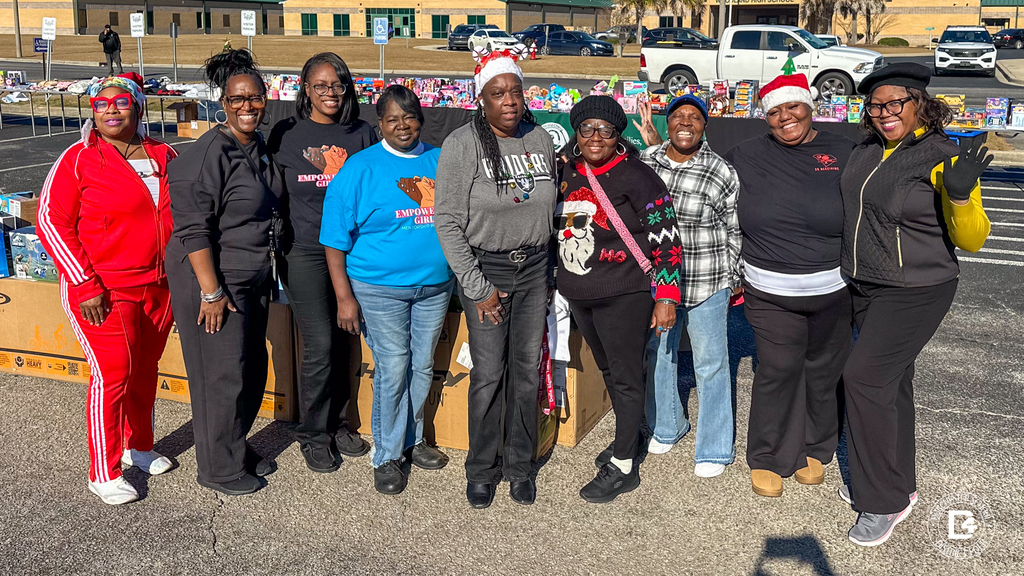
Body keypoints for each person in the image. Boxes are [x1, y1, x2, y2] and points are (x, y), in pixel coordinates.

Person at [839, 62, 991, 546]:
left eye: (894, 103)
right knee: (891, 383)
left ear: (918, 103)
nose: (884, 113)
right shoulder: (866, 150)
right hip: (866, 286)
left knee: (863, 378)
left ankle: (881, 501)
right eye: (875, 105)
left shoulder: (943, 156)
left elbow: (973, 240)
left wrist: (962, 195)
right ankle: (901, 486)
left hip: (916, 288)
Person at [37, 73, 177, 505]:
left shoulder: (163, 153)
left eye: (120, 102)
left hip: (158, 287)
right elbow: (50, 221)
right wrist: (83, 282)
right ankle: (104, 469)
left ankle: (140, 446)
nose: (111, 110)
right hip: (102, 289)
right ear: (93, 111)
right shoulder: (78, 158)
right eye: (101, 104)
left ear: (137, 106)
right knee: (113, 374)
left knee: (145, 369)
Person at [434, 45, 557, 509]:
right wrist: (477, 286)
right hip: (487, 270)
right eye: (498, 93)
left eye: (515, 91)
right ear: (480, 98)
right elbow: (446, 219)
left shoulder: (540, 139)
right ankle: (482, 467)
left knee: (526, 371)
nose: (509, 100)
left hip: (534, 270)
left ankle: (520, 465)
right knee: (489, 373)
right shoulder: (462, 145)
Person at [723, 74, 856, 500]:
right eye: (775, 112)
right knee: (778, 370)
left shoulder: (843, 150)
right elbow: (700, 173)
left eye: (793, 108)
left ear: (809, 106)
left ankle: (815, 447)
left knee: (822, 371)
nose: (786, 119)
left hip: (832, 291)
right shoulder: (745, 154)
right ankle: (768, 455)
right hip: (769, 290)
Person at [320, 85, 454, 495]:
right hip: (379, 289)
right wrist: (345, 298)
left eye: (409, 117)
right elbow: (333, 239)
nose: (402, 126)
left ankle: (411, 441)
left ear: (421, 120)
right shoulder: (359, 170)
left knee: (422, 366)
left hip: (433, 287)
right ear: (380, 124)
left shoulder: (438, 160)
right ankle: (388, 455)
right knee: (394, 367)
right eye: (392, 119)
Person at [166, 49, 284, 497]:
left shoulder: (254, 148)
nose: (247, 106)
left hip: (251, 273)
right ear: (223, 102)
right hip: (213, 278)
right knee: (221, 375)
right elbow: (193, 229)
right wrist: (211, 293)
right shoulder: (207, 154)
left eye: (254, 98)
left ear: (265, 99)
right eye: (237, 100)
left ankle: (233, 445)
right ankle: (218, 467)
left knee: (251, 368)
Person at [556, 95, 683, 503]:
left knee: (627, 377)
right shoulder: (565, 171)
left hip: (624, 293)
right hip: (580, 293)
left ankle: (625, 465)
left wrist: (666, 296)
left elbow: (667, 239)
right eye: (587, 129)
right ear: (576, 133)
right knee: (611, 372)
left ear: (618, 134)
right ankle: (630, 435)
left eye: (606, 130)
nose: (596, 137)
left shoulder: (639, 176)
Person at [267, 52, 375, 473]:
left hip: (353, 252)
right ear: (305, 89)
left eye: (339, 85)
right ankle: (314, 432)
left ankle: (341, 422)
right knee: (321, 344)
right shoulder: (287, 133)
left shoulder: (361, 133)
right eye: (321, 86)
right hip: (306, 252)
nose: (331, 94)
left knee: (348, 339)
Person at [632, 94, 742, 478]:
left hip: (707, 279)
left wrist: (734, 278)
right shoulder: (647, 162)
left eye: (694, 117)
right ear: (667, 122)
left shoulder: (720, 170)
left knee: (711, 364)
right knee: (660, 355)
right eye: (678, 115)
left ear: (704, 125)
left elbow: (733, 228)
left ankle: (713, 448)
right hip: (660, 283)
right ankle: (667, 425)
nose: (685, 122)